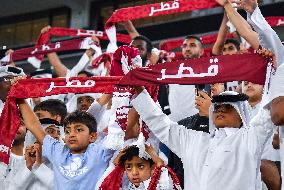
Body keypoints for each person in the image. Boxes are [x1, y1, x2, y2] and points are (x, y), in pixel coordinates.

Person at [132, 86, 276, 190]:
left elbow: (273, 108)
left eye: (228, 106)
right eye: (217, 106)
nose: (220, 109)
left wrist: (276, 65)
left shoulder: (250, 138)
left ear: (242, 112)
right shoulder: (194, 140)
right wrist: (138, 88)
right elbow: (160, 123)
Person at [17, 99, 114, 190]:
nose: (71, 134)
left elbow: (125, 131)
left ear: (92, 137)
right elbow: (33, 125)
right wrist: (20, 98)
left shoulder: (101, 151)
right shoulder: (58, 151)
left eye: (79, 130)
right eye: (67, 131)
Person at [96, 144, 178, 190]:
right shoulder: (125, 187)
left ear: (152, 167)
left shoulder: (160, 184)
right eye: (128, 167)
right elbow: (104, 186)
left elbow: (166, 185)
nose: (134, 172)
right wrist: (114, 166)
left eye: (141, 166)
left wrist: (157, 160)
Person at [168, 35, 204, 122]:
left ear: (201, 51)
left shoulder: (207, 70)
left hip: (197, 124)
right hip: (175, 124)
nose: (187, 48)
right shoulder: (172, 70)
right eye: (184, 46)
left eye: (192, 45)